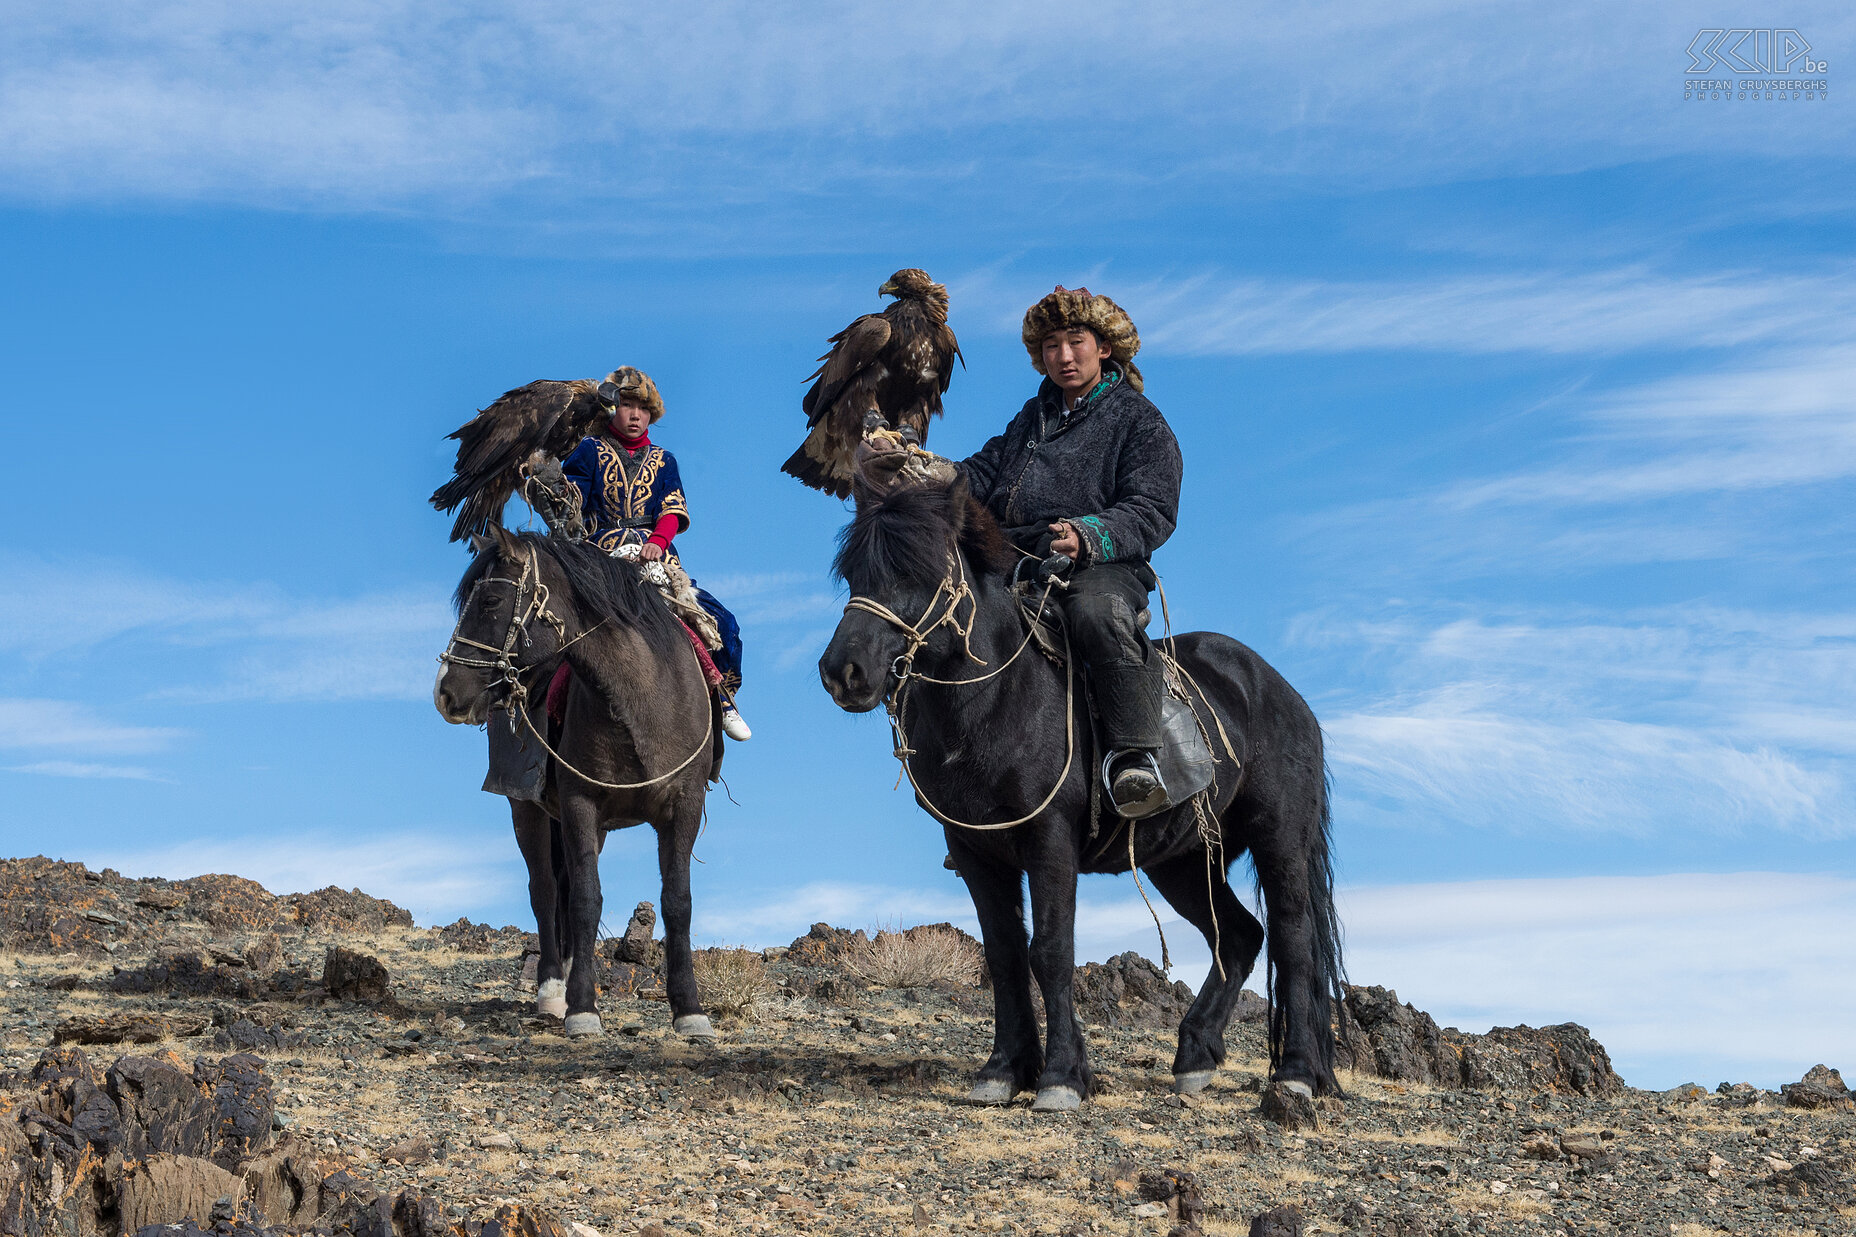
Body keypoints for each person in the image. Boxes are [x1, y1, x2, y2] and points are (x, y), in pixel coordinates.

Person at [953, 287, 1182, 816]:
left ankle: (1134, 759)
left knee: (1095, 615)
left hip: (1103, 567)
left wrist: (1087, 535)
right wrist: (920, 469)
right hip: (1017, 561)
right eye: (1051, 345)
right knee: (952, 614)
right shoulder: (1030, 419)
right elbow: (980, 475)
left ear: (1103, 347)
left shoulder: (1139, 420)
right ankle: (971, 784)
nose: (1063, 356)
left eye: (1075, 341)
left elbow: (1151, 508)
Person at [561, 367, 752, 741]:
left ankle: (722, 698)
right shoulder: (589, 450)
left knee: (722, 623)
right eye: (627, 405)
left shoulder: (665, 460)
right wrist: (556, 491)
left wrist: (658, 543)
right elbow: (574, 500)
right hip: (601, 555)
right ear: (612, 408)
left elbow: (671, 510)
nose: (634, 415)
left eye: (642, 409)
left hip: (659, 558)